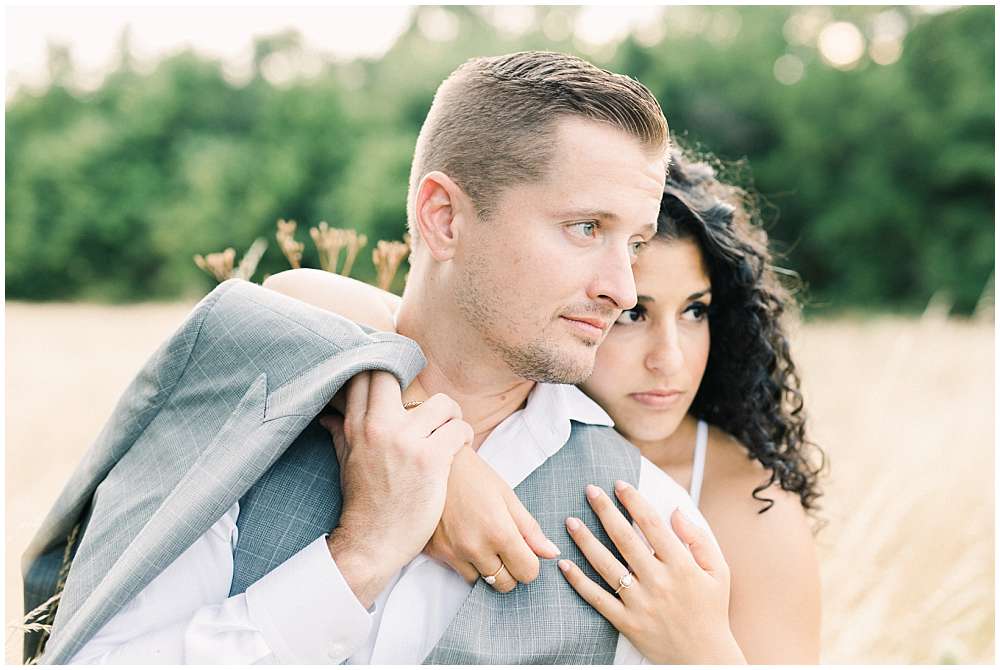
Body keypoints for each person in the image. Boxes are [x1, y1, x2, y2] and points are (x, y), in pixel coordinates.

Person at [43, 51, 744, 664]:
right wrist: (357, 559)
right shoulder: (247, 413)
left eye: (634, 243)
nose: (620, 288)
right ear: (444, 218)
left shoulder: (648, 525)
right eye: (586, 228)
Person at [264, 147, 825, 662]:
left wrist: (702, 650)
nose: (669, 359)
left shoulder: (750, 502)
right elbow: (296, 295)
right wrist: (450, 467)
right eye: (633, 315)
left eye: (695, 311)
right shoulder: (514, 395)